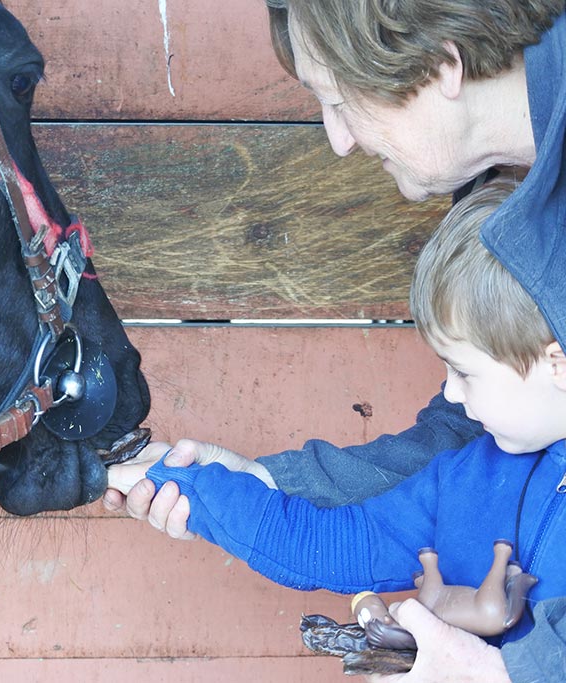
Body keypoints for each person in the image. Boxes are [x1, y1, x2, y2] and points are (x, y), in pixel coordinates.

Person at [102, 0, 566, 680]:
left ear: (444, 67)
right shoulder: (498, 220)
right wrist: (254, 486)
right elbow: (459, 442)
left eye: (342, 100)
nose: (338, 140)